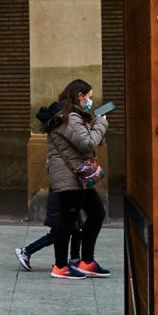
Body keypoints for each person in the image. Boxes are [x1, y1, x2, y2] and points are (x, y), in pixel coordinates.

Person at [43, 78, 111, 280]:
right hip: (69, 176)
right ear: (80, 96)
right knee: (67, 220)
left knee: (96, 213)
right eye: (89, 97)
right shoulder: (69, 117)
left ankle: (86, 262)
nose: (90, 101)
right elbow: (87, 144)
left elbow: (85, 142)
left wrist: (95, 126)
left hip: (77, 175)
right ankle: (61, 266)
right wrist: (100, 122)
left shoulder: (69, 116)